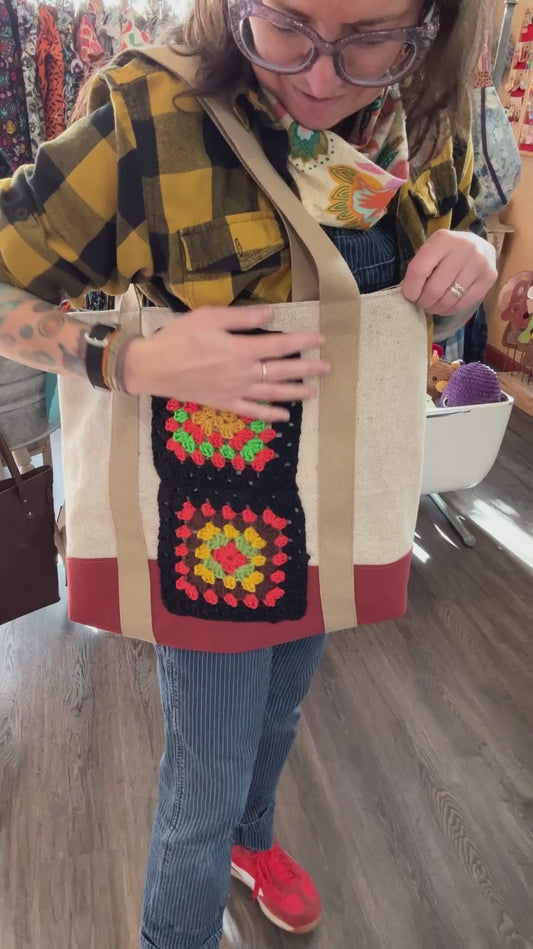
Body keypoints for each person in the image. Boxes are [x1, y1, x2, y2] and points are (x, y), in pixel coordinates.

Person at [0, 1, 497, 947]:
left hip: (341, 499)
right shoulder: (147, 112)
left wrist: (468, 251)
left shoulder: (425, 109)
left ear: (429, 26)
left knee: (282, 710)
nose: (319, 77)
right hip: (210, 529)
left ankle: (253, 841)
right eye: (286, 27)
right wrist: (127, 358)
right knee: (205, 777)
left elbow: (455, 230)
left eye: (368, 39)